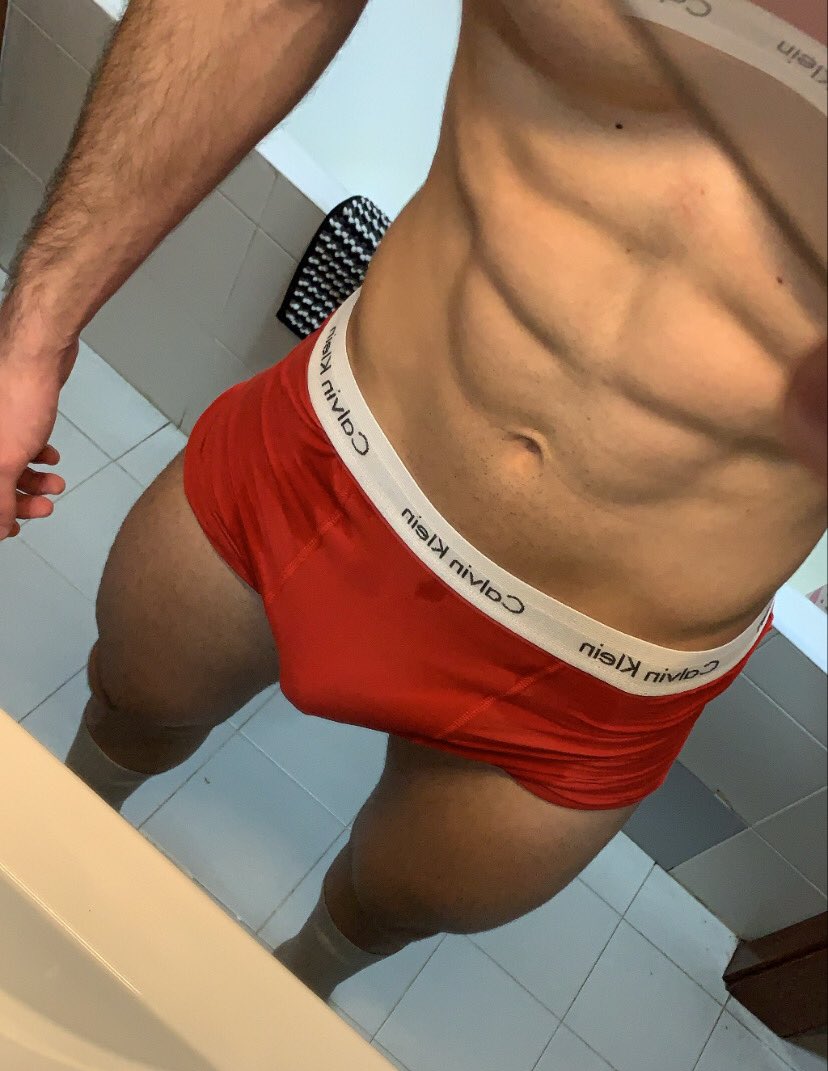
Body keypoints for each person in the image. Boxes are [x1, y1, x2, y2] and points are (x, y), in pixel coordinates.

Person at [0, 0, 825, 1000]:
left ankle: (294, 992)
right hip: (336, 457)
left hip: (600, 666)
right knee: (133, 699)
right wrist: (35, 328)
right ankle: (46, 865)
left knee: (386, 906)